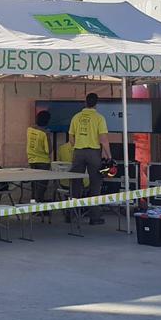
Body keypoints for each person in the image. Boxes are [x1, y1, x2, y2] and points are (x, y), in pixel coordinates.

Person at [68, 93, 110, 226]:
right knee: (95, 184)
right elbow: (103, 140)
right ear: (96, 103)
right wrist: (108, 155)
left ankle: (72, 215)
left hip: (78, 152)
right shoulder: (99, 118)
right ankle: (94, 217)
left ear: (85, 102)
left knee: (75, 184)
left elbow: (71, 139)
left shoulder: (76, 117)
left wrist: (79, 146)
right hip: (93, 153)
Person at [26, 111, 52, 201]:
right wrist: (48, 136)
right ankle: (40, 208)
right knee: (42, 187)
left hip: (31, 161)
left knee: (34, 186)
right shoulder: (45, 133)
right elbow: (48, 150)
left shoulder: (29, 130)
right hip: (43, 162)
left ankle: (33, 205)